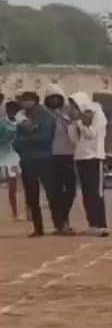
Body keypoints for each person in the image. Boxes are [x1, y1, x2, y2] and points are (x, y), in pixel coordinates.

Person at [14, 91, 59, 237]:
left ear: (34, 101)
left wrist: (26, 137)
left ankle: (59, 225)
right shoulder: (22, 117)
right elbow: (16, 141)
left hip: (44, 158)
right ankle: (38, 228)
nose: (23, 103)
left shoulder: (46, 116)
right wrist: (28, 135)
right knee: (31, 196)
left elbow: (44, 138)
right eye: (22, 100)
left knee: (52, 193)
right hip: (28, 160)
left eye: (26, 100)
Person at [68, 92, 110, 236]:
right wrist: (73, 124)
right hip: (81, 158)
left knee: (96, 193)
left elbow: (91, 134)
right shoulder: (78, 120)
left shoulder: (98, 114)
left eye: (75, 105)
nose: (74, 109)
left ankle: (101, 224)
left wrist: (81, 123)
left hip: (94, 157)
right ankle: (92, 224)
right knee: (86, 193)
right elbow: (74, 140)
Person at [46, 91, 78, 235]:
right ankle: (59, 224)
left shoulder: (67, 113)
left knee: (71, 190)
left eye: (56, 98)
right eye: (51, 98)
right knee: (55, 193)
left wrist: (66, 120)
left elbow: (75, 130)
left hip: (68, 155)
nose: (54, 100)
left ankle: (64, 219)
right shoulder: (45, 115)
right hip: (51, 157)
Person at [0, 100, 22, 221]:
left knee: (12, 187)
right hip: (2, 156)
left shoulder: (19, 122)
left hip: (12, 157)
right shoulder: (2, 123)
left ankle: (15, 213)